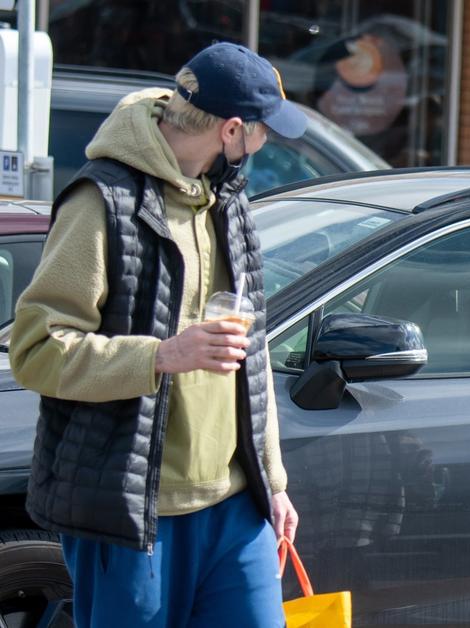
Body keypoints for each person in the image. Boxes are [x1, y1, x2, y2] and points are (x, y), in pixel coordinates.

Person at [9, 42, 307, 627]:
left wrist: (272, 481)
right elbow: (36, 351)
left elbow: (253, 354)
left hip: (235, 506)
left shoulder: (228, 202)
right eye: (262, 131)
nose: (265, 144)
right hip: (133, 516)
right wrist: (163, 355)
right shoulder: (102, 202)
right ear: (231, 131)